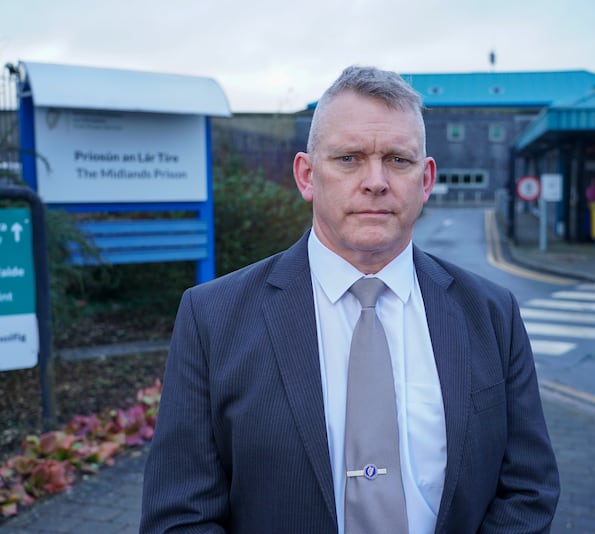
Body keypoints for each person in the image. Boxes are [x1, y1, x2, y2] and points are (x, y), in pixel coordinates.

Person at [140, 66, 560, 533]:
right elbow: (179, 515)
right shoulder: (213, 319)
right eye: (349, 158)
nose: (376, 181)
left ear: (425, 181)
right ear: (307, 175)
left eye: (398, 160)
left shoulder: (490, 313)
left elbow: (528, 490)